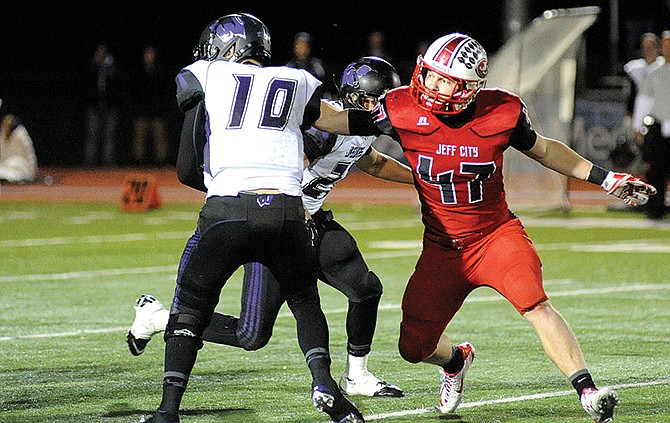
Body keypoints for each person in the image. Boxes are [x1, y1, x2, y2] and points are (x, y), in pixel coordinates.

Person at [312, 33, 657, 423]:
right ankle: (457, 361)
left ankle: (587, 391)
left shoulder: (501, 111)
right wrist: (288, 100)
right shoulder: (400, 107)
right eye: (430, 74)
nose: (430, 85)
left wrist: (605, 178)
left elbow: (543, 149)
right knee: (413, 346)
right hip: (442, 248)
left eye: (444, 80)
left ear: (469, 88)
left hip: (495, 237)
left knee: (536, 304)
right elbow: (337, 120)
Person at [127, 57, 411, 398]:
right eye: (372, 100)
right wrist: (300, 217)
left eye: (385, 99)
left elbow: (373, 162)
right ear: (351, 96)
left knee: (365, 288)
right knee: (252, 335)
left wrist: (423, 180)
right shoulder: (325, 124)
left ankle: (357, 376)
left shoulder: (359, 126)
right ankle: (158, 318)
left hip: (313, 222)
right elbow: (293, 162)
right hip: (284, 224)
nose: (378, 108)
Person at [139, 13, 364, 423]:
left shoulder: (206, 74)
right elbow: (338, 120)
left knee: (191, 308)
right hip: (288, 211)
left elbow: (188, 161)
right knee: (305, 302)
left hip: (228, 207)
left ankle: (168, 410)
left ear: (229, 49)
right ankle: (327, 388)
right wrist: (394, 118)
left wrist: (217, 182)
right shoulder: (296, 79)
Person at [633, 30, 670, 220]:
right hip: (658, 128)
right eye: (665, 44)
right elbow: (644, 102)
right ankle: (656, 209)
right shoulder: (654, 72)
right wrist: (638, 126)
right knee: (655, 171)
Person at [129, 45, 174, 166]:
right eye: (147, 54)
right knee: (139, 138)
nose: (149, 56)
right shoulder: (138, 72)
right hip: (141, 110)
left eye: (151, 54)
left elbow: (165, 91)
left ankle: (162, 161)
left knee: (160, 138)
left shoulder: (160, 71)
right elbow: (134, 92)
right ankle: (137, 162)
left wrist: (164, 108)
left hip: (157, 110)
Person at [83, 42, 121, 167]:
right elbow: (87, 84)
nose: (100, 54)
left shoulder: (113, 67)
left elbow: (117, 85)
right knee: (92, 135)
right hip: (94, 106)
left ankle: (108, 162)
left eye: (103, 52)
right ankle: (90, 162)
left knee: (109, 135)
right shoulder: (92, 67)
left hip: (109, 106)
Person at [623, 32, 663, 119]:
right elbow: (632, 92)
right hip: (641, 108)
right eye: (646, 47)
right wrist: (629, 112)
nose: (648, 50)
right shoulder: (635, 68)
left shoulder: (663, 66)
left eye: (651, 47)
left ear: (658, 48)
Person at [286, 32, 332, 98]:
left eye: (303, 45)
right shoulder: (290, 66)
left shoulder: (317, 66)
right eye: (298, 45)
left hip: (313, 103)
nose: (300, 48)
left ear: (308, 48)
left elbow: (324, 86)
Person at [0, 113, 38, 183]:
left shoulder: (20, 135)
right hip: (7, 164)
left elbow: (30, 156)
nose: (5, 127)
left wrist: (33, 173)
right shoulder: (3, 135)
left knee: (13, 165)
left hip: (22, 165)